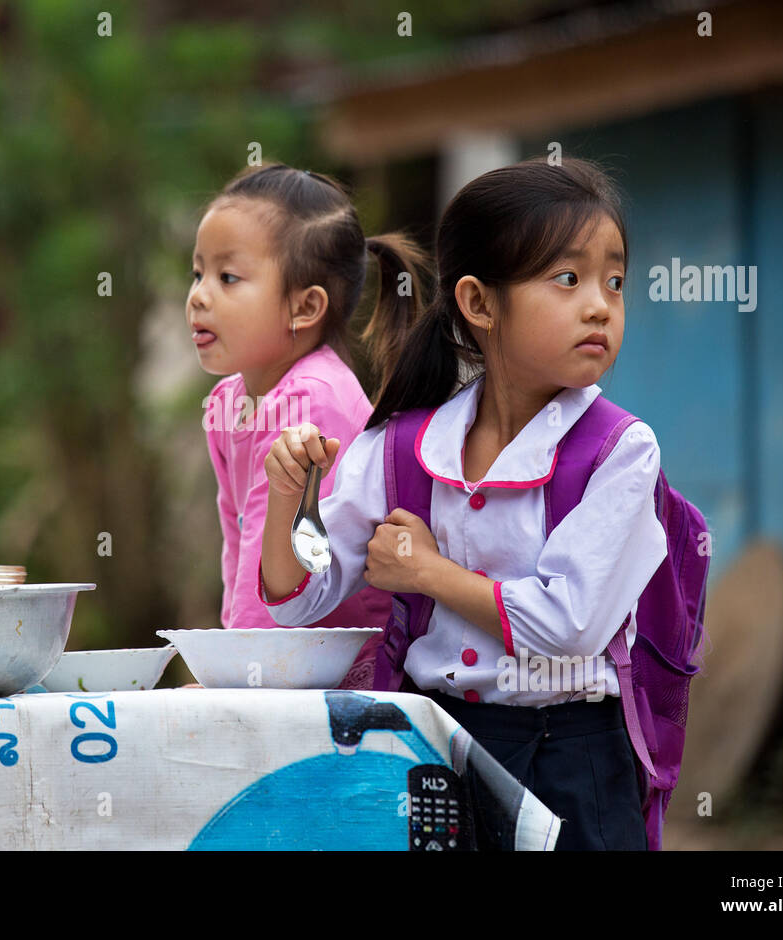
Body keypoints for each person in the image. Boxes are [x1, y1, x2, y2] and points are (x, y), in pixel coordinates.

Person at [258, 157, 666, 849]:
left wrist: (427, 573)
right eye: (568, 279)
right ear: (480, 303)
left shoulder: (620, 450)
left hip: (577, 757)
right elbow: (301, 597)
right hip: (440, 748)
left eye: (615, 282)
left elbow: (568, 625)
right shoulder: (402, 446)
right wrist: (288, 501)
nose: (600, 304)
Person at [190, 163, 427, 683]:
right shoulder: (228, 401)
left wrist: (242, 674)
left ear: (305, 306)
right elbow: (241, 540)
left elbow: (283, 553)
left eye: (228, 277)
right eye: (198, 272)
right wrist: (231, 657)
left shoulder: (310, 402)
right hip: (285, 658)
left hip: (350, 666)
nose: (199, 295)